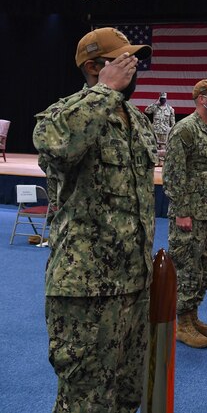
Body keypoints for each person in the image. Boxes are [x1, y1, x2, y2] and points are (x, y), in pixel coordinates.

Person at [33, 27, 156, 412]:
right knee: (84, 400)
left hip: (134, 286)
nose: (133, 68)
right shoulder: (64, 115)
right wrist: (103, 91)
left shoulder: (136, 120)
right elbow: (56, 144)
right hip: (85, 292)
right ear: (93, 66)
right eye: (123, 60)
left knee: (125, 396)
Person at [163, 78, 207, 349]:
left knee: (206, 267)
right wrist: (181, 212)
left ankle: (193, 314)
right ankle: (183, 323)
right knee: (187, 268)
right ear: (202, 98)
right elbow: (173, 173)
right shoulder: (185, 129)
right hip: (190, 213)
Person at [145, 91, 176, 164]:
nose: (162, 100)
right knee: (154, 147)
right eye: (161, 99)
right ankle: (155, 160)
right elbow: (146, 111)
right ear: (159, 98)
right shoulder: (155, 108)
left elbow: (173, 123)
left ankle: (161, 162)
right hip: (155, 131)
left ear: (166, 99)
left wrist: (172, 131)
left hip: (164, 132)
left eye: (164, 99)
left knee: (163, 148)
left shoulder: (170, 109)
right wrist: (155, 103)